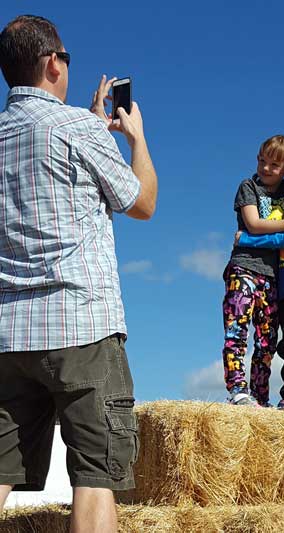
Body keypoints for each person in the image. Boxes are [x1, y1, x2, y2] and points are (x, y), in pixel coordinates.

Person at [0, 14, 157, 533]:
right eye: (66, 58)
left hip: (7, 335)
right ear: (51, 63)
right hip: (81, 325)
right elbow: (142, 202)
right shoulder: (79, 128)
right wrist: (132, 137)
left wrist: (90, 125)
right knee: (95, 473)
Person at [222, 135, 284, 408]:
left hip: (273, 277)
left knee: (267, 340)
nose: (265, 168)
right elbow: (253, 224)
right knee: (237, 330)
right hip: (243, 268)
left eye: (274, 165)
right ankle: (238, 390)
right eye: (262, 160)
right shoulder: (248, 187)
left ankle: (260, 397)